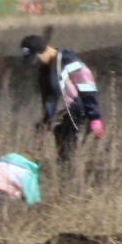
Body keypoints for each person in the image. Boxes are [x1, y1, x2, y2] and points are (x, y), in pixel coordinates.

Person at [20, 34, 103, 167]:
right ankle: (65, 178)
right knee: (63, 153)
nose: (36, 63)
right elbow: (50, 98)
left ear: (44, 50)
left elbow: (87, 87)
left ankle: (73, 180)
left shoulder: (68, 60)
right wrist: (45, 122)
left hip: (79, 114)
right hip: (65, 117)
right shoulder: (45, 69)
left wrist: (94, 117)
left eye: (36, 58)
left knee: (69, 155)